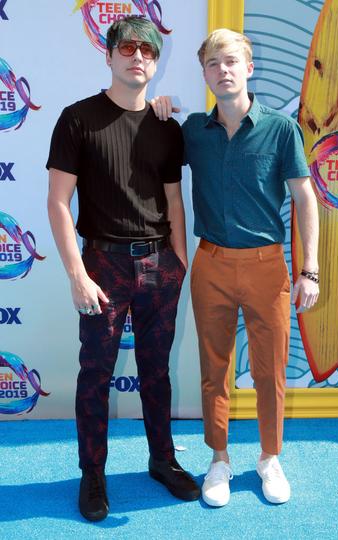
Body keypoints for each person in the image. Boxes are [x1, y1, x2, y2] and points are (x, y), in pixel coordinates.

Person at [151, 28, 319, 507]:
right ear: (204, 74)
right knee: (214, 369)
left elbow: (304, 197)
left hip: (268, 267)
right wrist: (159, 108)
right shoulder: (191, 133)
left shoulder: (281, 130)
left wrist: (310, 269)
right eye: (212, 64)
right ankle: (219, 459)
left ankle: (269, 457)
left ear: (249, 67)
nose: (222, 70)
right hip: (212, 263)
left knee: (269, 371)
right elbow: (153, 158)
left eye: (231, 61)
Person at [47, 16, 200, 522]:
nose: (139, 57)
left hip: (159, 263)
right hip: (103, 263)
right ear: (108, 55)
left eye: (149, 51)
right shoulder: (77, 119)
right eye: (129, 47)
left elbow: (175, 200)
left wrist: (179, 259)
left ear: (156, 62)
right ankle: (92, 475)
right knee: (96, 374)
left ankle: (163, 460)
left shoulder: (166, 126)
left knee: (156, 372)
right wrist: (76, 273)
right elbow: (57, 202)